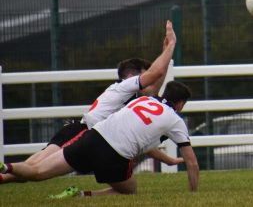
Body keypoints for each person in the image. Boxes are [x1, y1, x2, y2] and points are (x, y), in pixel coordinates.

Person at [0, 20, 182, 184]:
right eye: (145, 73)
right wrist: (169, 47)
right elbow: (154, 77)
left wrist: (165, 54)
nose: (148, 78)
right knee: (34, 170)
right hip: (81, 133)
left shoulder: (131, 99)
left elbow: (152, 91)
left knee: (31, 169)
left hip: (87, 136)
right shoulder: (124, 89)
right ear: (131, 76)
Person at [0, 81, 199, 197]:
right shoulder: (175, 120)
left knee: (36, 171)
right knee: (130, 189)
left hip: (92, 136)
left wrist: (168, 160)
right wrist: (193, 194)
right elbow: (192, 163)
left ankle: (6, 167)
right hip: (114, 154)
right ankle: (87, 195)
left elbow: (135, 136)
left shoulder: (142, 99)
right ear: (181, 104)